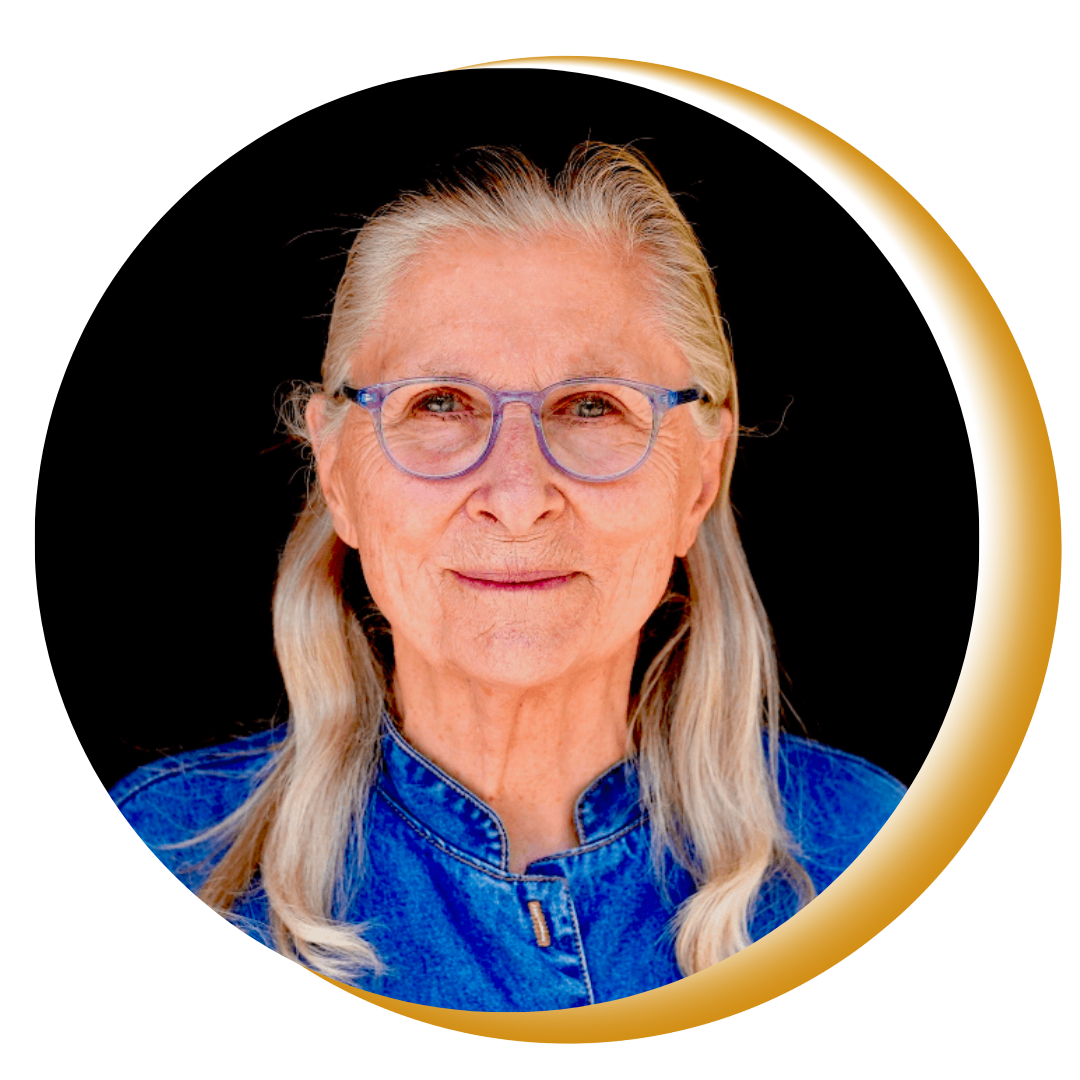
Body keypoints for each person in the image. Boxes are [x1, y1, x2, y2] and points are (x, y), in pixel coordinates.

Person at [108, 142, 906, 1011]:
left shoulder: (877, 855)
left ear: (700, 480)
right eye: (440, 404)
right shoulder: (166, 853)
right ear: (337, 474)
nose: (518, 498)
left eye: (592, 406)